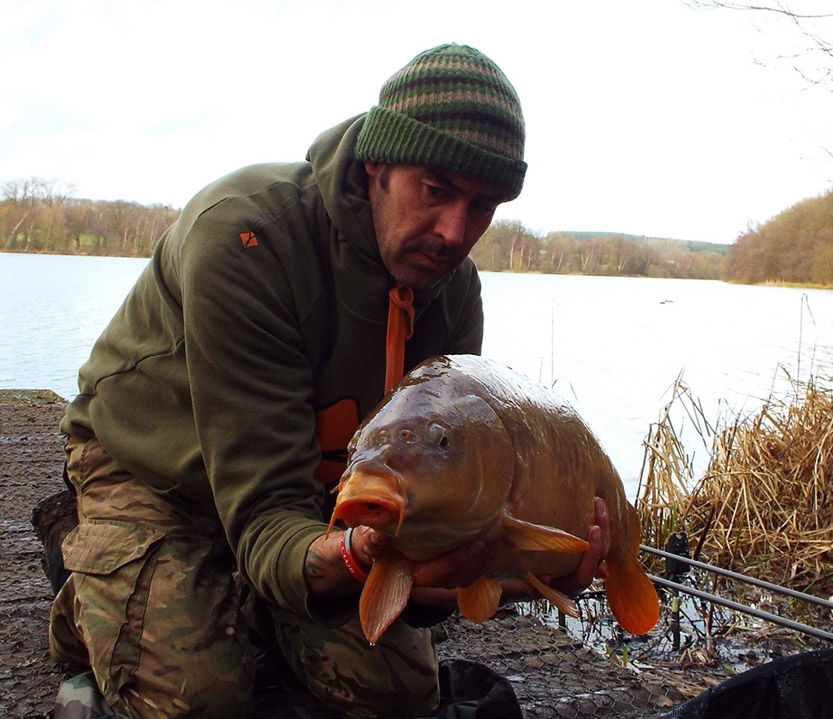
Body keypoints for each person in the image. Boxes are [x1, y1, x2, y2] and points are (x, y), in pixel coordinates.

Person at [48, 43, 610, 719]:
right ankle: (89, 586)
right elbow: (262, 512)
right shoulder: (247, 238)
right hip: (155, 470)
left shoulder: (452, 290)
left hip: (313, 492)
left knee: (396, 696)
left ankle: (252, 603)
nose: (454, 231)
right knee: (199, 701)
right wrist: (345, 555)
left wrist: (518, 567)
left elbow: (434, 507)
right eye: (434, 191)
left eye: (483, 205)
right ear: (377, 162)